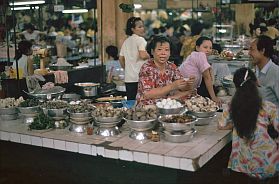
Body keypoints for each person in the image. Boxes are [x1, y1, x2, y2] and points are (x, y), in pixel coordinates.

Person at [218, 67, 279, 181]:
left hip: (242, 165)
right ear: (257, 82)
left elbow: (221, 125)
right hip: (270, 164)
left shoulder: (231, 106)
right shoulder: (268, 107)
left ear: (235, 86)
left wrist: (234, 124)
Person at [136, 35, 195, 106]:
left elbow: (182, 87)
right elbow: (147, 94)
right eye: (159, 49)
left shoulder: (172, 66)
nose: (163, 53)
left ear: (170, 52)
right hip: (151, 100)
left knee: (192, 93)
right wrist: (172, 86)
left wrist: (189, 84)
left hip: (167, 99)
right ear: (152, 51)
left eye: (167, 50)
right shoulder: (147, 68)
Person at [179, 36, 221, 105]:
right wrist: (214, 98)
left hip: (184, 86)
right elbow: (207, 78)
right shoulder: (201, 55)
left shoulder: (193, 54)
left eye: (210, 48)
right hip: (183, 87)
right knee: (212, 90)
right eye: (205, 47)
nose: (208, 50)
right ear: (197, 48)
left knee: (212, 88)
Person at [119, 17, 150, 100]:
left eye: (143, 26)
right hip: (140, 78)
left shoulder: (126, 41)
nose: (142, 29)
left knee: (131, 103)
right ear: (132, 29)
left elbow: (121, 58)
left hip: (129, 79)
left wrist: (127, 69)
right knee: (141, 102)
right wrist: (151, 55)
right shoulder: (141, 40)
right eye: (139, 27)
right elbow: (143, 55)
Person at [249, 35, 279, 107]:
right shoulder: (253, 70)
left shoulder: (276, 73)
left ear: (262, 50)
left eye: (252, 49)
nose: (249, 53)